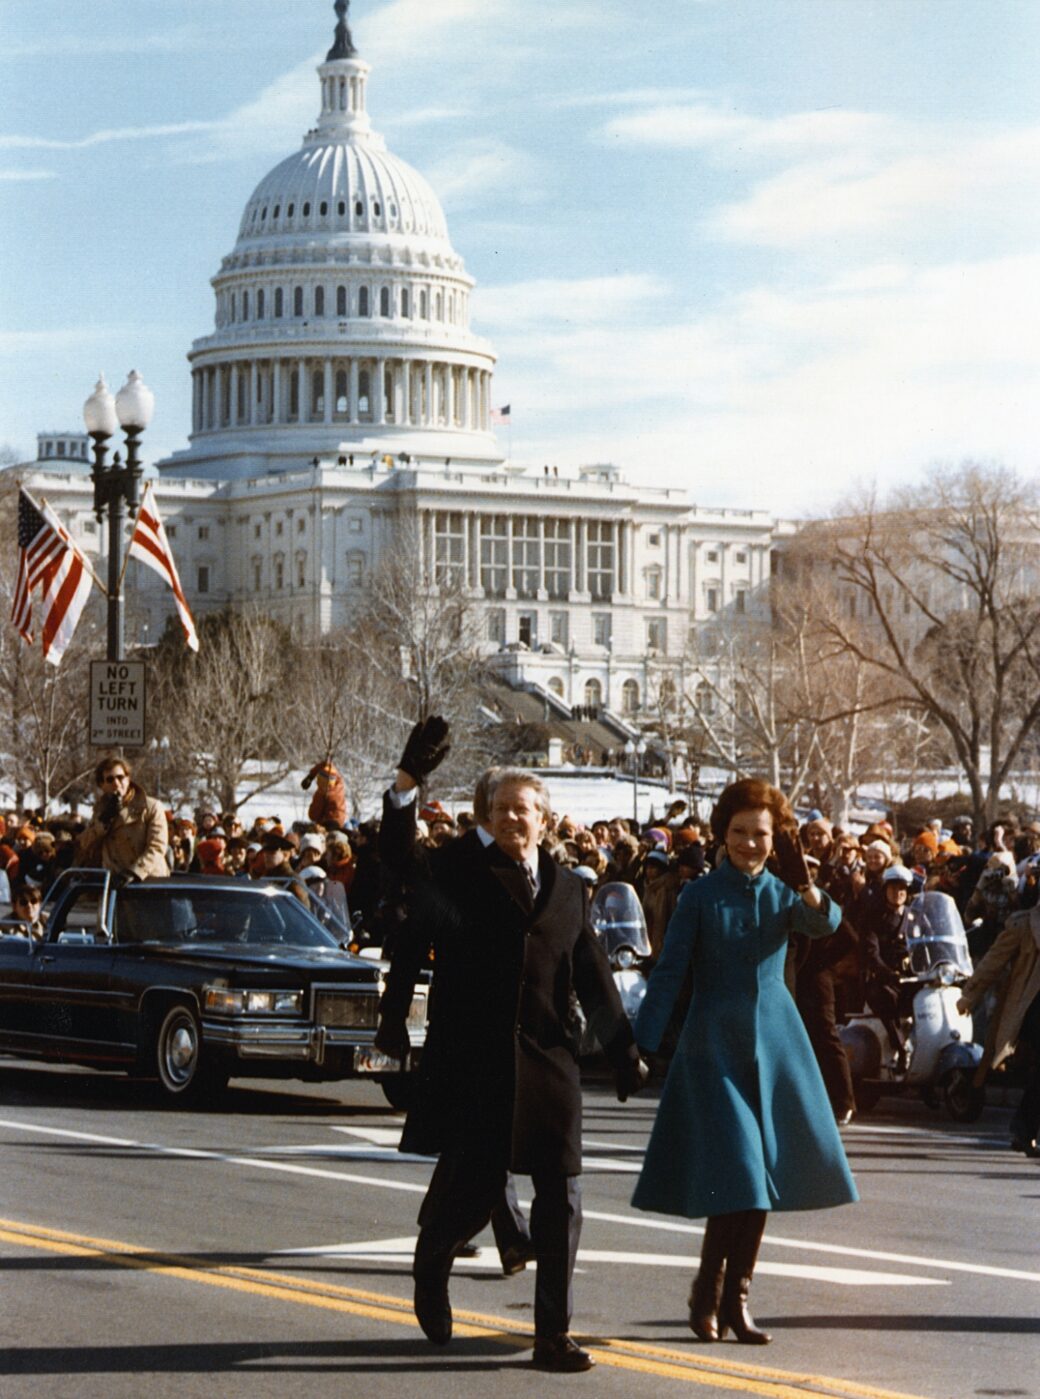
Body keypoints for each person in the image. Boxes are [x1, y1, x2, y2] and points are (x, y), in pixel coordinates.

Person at [375, 719, 646, 1373]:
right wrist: (406, 784)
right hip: (477, 1061)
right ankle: (433, 1257)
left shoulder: (568, 889)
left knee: (563, 1198)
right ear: (488, 818)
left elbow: (592, 973)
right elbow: (395, 859)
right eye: (501, 810)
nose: (512, 818)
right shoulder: (457, 870)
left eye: (524, 810)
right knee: (471, 1187)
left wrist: (621, 1048)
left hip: (550, 1060)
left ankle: (552, 1333)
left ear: (545, 818)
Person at [631, 778, 858, 1346]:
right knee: (741, 1174)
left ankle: (735, 1299)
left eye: (760, 835)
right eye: (739, 833)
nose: (750, 844)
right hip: (716, 1049)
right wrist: (639, 1043)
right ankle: (709, 1291)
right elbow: (669, 970)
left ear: (774, 838)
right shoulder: (700, 896)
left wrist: (806, 883)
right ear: (721, 834)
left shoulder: (784, 893)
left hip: (777, 1046)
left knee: (759, 1179)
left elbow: (827, 924)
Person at [957, 903, 1040, 1157]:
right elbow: (993, 960)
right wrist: (970, 996)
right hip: (1032, 1007)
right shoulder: (1024, 923)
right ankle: (1023, 1127)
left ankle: (1023, 1128)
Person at [77, 757, 169, 882]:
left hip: (148, 880)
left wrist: (135, 871)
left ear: (128, 779)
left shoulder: (150, 806)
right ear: (102, 785)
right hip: (115, 881)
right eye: (110, 780)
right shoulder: (99, 811)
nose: (116, 783)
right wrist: (103, 821)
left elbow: (157, 846)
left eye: (120, 777)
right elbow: (85, 844)